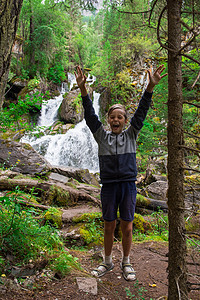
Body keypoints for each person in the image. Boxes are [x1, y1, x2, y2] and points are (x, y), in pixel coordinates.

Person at [75, 64, 167, 281]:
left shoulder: (131, 134)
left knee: (126, 225)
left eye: (120, 117)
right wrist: (83, 90)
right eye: (112, 117)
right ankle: (107, 262)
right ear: (108, 120)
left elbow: (142, 111)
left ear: (125, 121)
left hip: (127, 185)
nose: (116, 120)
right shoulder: (101, 136)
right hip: (108, 186)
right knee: (109, 225)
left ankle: (126, 261)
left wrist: (150, 87)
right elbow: (89, 115)